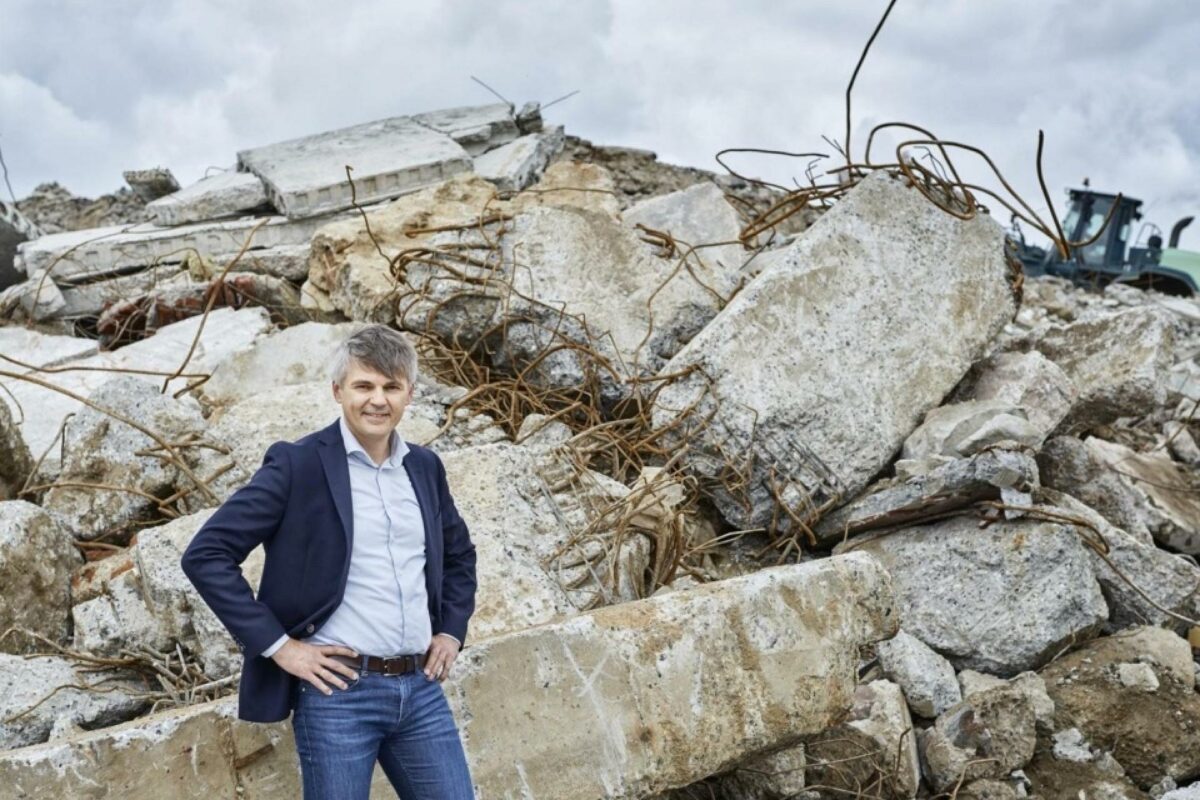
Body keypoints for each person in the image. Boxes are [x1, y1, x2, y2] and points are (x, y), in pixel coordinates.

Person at [181, 324, 478, 799]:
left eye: (391, 387)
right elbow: (206, 554)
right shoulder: (298, 466)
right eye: (364, 386)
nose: (377, 400)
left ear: (409, 395)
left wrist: (452, 629)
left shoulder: (424, 468)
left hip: (420, 690)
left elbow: (459, 554)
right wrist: (281, 647)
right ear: (338, 391)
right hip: (340, 695)